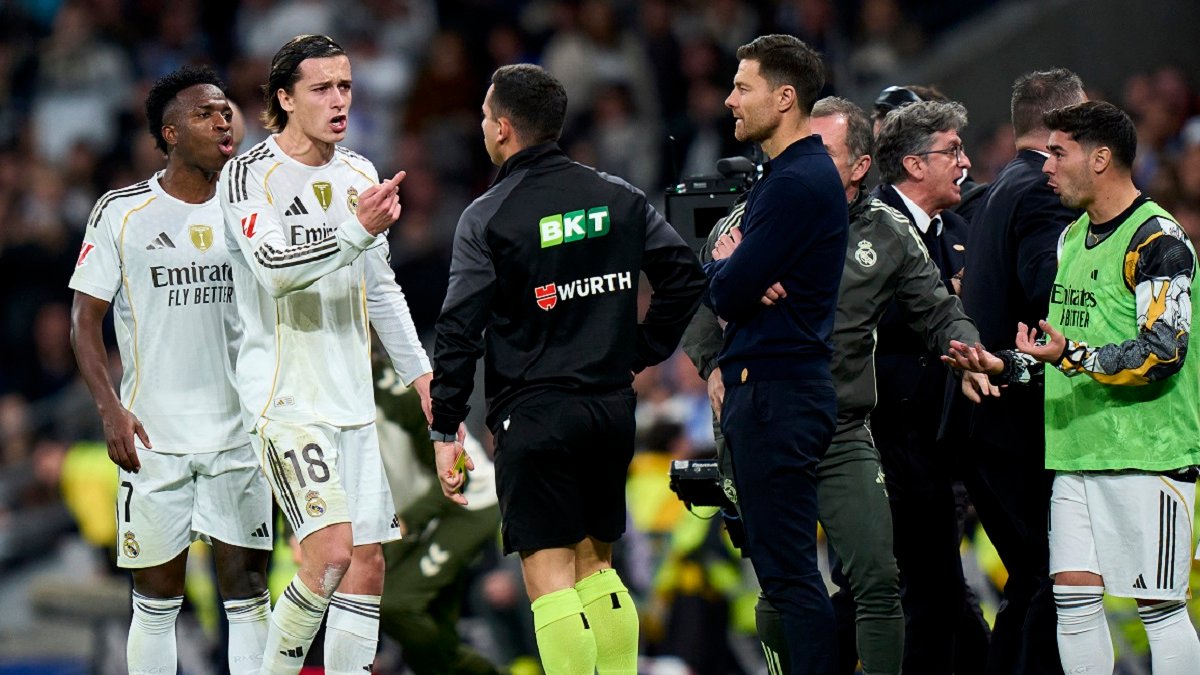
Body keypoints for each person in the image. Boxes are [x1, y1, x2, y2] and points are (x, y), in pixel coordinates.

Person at [428, 63, 705, 675]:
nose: (482, 126)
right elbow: (685, 277)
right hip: (609, 409)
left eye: (484, 116)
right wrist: (637, 351)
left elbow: (457, 328)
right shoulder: (618, 196)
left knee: (550, 578)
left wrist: (446, 424)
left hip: (535, 417)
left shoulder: (487, 216)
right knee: (597, 567)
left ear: (504, 129)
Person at [944, 100, 1200, 675]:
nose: (1046, 166)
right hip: (1076, 452)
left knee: (1160, 610)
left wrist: (1071, 355)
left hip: (1148, 453)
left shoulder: (1158, 239)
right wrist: (1005, 365)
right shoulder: (1071, 239)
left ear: (1100, 159)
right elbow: (1062, 354)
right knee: (1073, 603)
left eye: (1059, 154)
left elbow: (1163, 351)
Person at [218, 34, 433, 674]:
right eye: (321, 88)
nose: (339, 100)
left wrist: (422, 376)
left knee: (367, 564)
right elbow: (275, 269)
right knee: (332, 553)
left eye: (345, 86)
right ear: (284, 99)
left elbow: (381, 288)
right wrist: (355, 229)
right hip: (286, 397)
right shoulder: (248, 175)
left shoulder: (358, 173)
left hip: (352, 399)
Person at [69, 65, 273, 675]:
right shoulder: (122, 212)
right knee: (157, 601)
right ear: (171, 133)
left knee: (248, 596)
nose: (223, 120)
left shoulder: (252, 209)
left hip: (240, 432)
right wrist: (110, 408)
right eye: (205, 113)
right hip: (153, 438)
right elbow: (83, 321)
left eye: (226, 110)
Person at [703, 34, 848, 674]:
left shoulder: (796, 182)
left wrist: (730, 268)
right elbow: (734, 285)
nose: (729, 100)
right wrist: (736, 272)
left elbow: (726, 290)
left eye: (743, 87)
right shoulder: (787, 176)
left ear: (784, 98)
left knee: (789, 576)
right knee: (787, 574)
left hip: (777, 396)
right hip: (776, 391)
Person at [951, 68, 1086, 675]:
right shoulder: (1040, 191)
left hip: (985, 423)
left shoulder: (1003, 184)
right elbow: (1051, 293)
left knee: (1033, 580)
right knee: (1054, 580)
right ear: (1064, 125)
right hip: (1019, 423)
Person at [870, 99, 991, 673]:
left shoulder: (961, 230)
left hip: (942, 442)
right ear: (915, 165)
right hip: (881, 439)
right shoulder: (866, 227)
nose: (965, 162)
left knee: (938, 591)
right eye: (953, 150)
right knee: (896, 592)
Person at [371, 360, 503, 675]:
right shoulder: (331, 397)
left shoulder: (397, 393)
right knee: (438, 646)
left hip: (467, 504)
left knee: (395, 604)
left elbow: (457, 470)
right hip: (422, 513)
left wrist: (407, 521)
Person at [872, 84, 988, 222]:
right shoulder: (866, 223)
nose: (887, 157)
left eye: (900, 142)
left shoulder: (978, 210)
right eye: (882, 147)